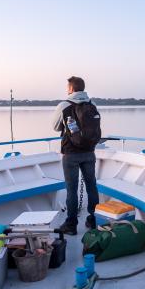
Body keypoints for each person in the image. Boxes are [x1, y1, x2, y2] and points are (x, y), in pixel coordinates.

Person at [52, 76, 101, 235]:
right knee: (91, 186)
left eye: (68, 87)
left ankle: (71, 224)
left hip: (71, 153)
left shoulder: (64, 105)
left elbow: (55, 127)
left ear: (71, 89)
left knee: (71, 189)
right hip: (89, 152)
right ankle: (93, 219)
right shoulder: (92, 104)